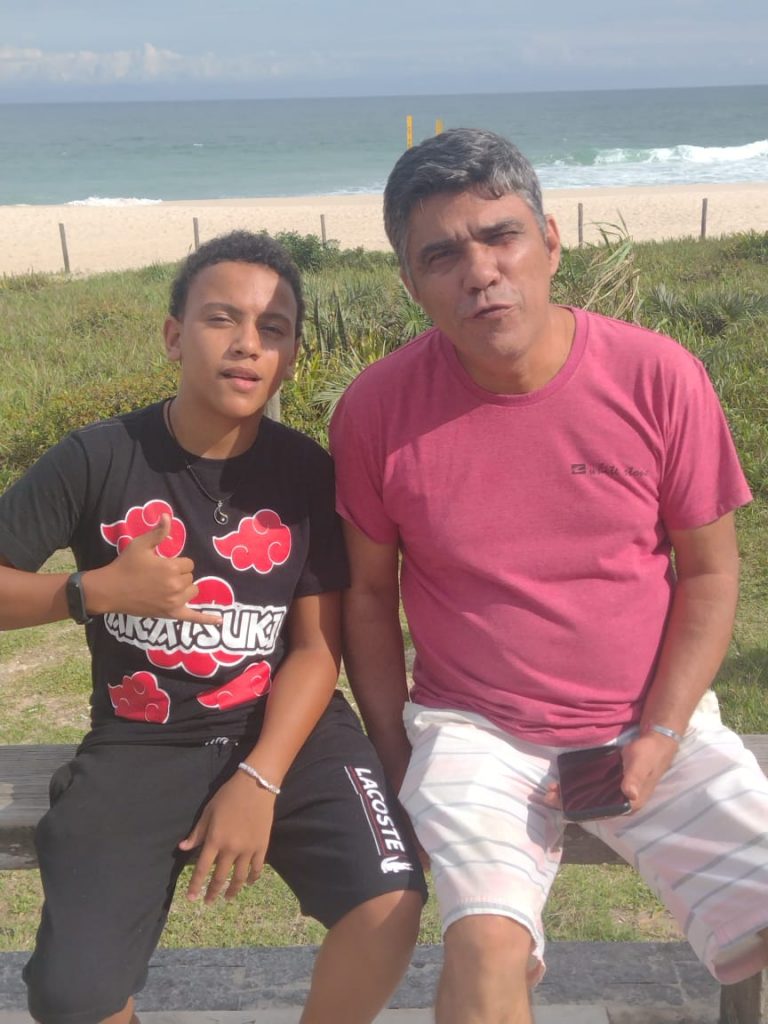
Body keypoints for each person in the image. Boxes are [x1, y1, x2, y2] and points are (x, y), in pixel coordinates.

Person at [329, 129, 768, 1024]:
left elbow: (711, 575)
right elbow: (367, 595)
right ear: (411, 283)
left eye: (502, 236)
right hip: (476, 730)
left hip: (656, 717)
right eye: (441, 256)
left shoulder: (658, 376)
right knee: (484, 948)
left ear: (551, 240)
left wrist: (659, 734)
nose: (481, 272)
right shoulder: (376, 409)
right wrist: (398, 757)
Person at [0, 230, 426, 1024]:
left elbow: (315, 651)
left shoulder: (307, 473)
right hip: (141, 740)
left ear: (290, 357)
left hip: (288, 732)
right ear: (174, 336)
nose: (247, 343)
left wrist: (259, 781)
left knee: (391, 904)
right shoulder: (97, 458)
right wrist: (92, 591)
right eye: (221, 318)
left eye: (274, 328)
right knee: (72, 997)